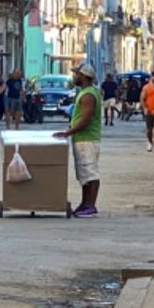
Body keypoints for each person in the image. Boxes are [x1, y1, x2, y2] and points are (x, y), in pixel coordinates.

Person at [53, 62, 102, 218]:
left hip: (87, 139)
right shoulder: (85, 91)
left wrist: (68, 132)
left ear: (84, 77)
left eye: (76, 74)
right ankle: (84, 203)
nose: (74, 76)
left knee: (90, 173)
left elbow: (86, 119)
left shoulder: (88, 94)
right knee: (83, 175)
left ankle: (91, 206)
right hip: (81, 139)